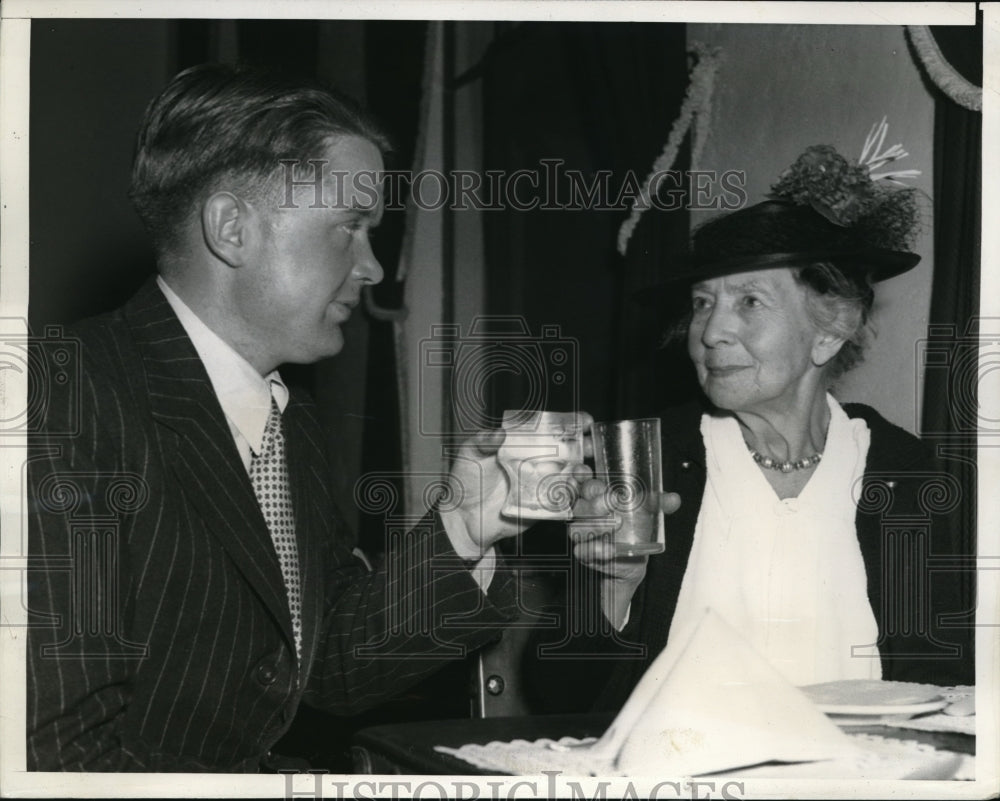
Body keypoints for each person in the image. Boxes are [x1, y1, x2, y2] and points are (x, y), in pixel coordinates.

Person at [25, 63, 576, 772]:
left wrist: (464, 528)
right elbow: (52, 756)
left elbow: (329, 669)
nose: (373, 267)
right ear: (232, 228)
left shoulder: (288, 417)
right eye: (349, 227)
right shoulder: (55, 399)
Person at [561, 143, 975, 712]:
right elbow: (562, 690)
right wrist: (613, 589)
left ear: (830, 330)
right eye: (703, 304)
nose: (710, 332)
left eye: (749, 301)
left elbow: (942, 675)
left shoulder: (903, 468)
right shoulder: (647, 455)